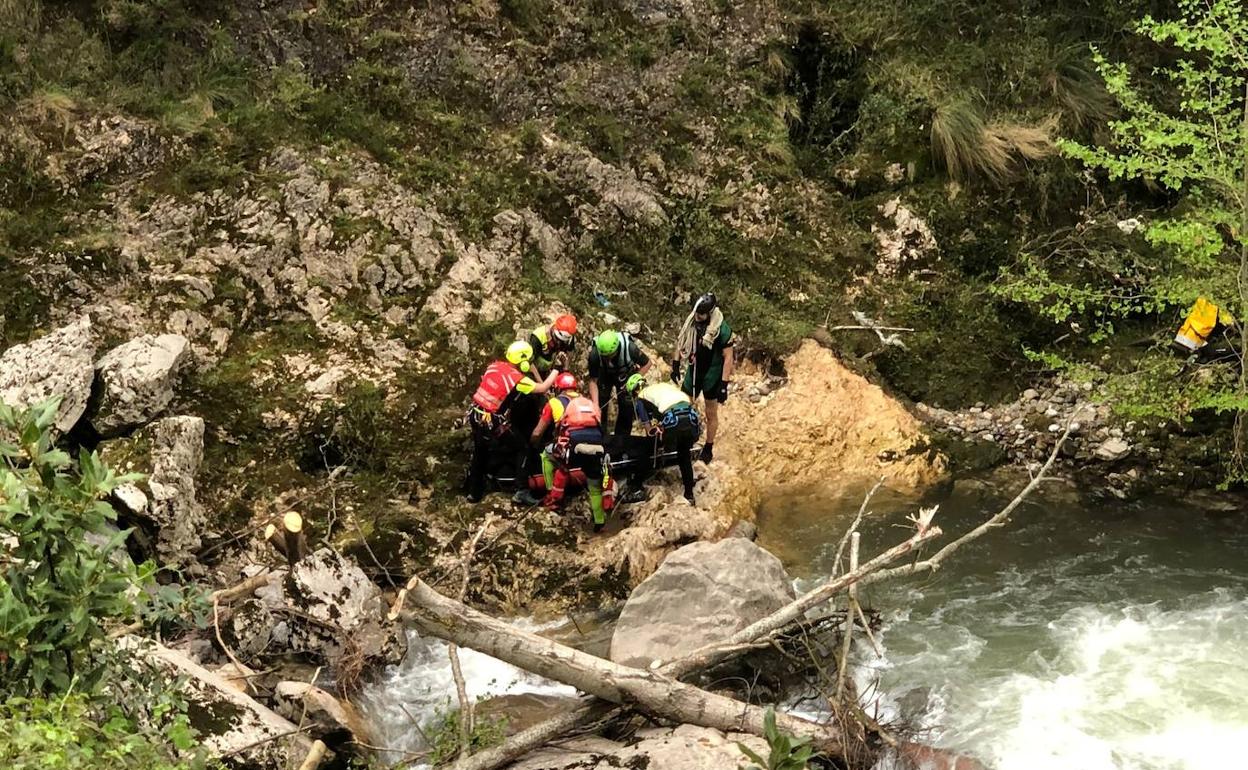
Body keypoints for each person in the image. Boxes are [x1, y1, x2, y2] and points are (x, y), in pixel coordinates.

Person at [465, 340, 559, 504]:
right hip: (492, 421)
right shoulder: (518, 379)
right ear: (523, 363)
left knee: (480, 452)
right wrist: (557, 369)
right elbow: (543, 388)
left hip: (475, 415)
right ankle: (521, 490)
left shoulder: (494, 366)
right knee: (523, 447)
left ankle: (474, 492)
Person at [530, 372, 610, 531]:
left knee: (548, 457)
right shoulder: (589, 404)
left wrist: (532, 445)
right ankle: (599, 520)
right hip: (596, 447)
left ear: (558, 388)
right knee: (594, 484)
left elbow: (538, 432)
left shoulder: (553, 403)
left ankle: (551, 497)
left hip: (571, 447)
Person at [672, 292, 733, 463]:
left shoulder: (721, 329)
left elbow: (728, 357)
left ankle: (708, 446)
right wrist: (676, 364)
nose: (697, 317)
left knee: (710, 412)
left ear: (709, 313)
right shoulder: (692, 320)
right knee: (683, 405)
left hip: (711, 374)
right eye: (696, 313)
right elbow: (682, 340)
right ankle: (682, 439)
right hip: (694, 369)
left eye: (701, 314)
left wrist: (723, 384)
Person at [626, 374, 700, 504]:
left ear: (634, 391)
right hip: (691, 417)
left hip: (674, 420)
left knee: (648, 447)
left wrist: (656, 434)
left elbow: (649, 431)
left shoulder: (641, 398)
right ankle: (689, 494)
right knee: (684, 455)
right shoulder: (661, 387)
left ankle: (636, 486)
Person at [587, 330, 651, 442]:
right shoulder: (595, 354)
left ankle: (622, 439)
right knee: (601, 404)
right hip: (605, 375)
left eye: (610, 356)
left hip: (625, 374)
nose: (608, 359)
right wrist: (596, 405)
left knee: (626, 406)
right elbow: (593, 381)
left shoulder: (630, 348)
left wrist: (634, 379)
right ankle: (600, 438)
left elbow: (647, 363)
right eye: (605, 357)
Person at [527, 314, 578, 378]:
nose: (559, 342)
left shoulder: (569, 336)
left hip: (553, 363)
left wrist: (565, 371)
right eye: (557, 339)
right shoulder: (538, 337)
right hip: (536, 366)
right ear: (554, 330)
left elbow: (569, 352)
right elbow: (530, 363)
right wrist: (542, 383)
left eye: (562, 341)